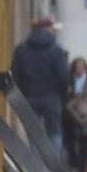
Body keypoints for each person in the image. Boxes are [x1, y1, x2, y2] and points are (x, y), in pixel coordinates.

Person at [11, 16, 73, 152]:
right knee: (54, 133)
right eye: (53, 28)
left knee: (34, 135)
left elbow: (15, 74)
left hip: (29, 97)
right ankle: (53, 167)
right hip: (52, 97)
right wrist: (62, 94)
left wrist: (22, 92)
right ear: (48, 29)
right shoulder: (56, 50)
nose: (55, 31)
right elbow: (63, 76)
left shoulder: (21, 49)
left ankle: (36, 167)